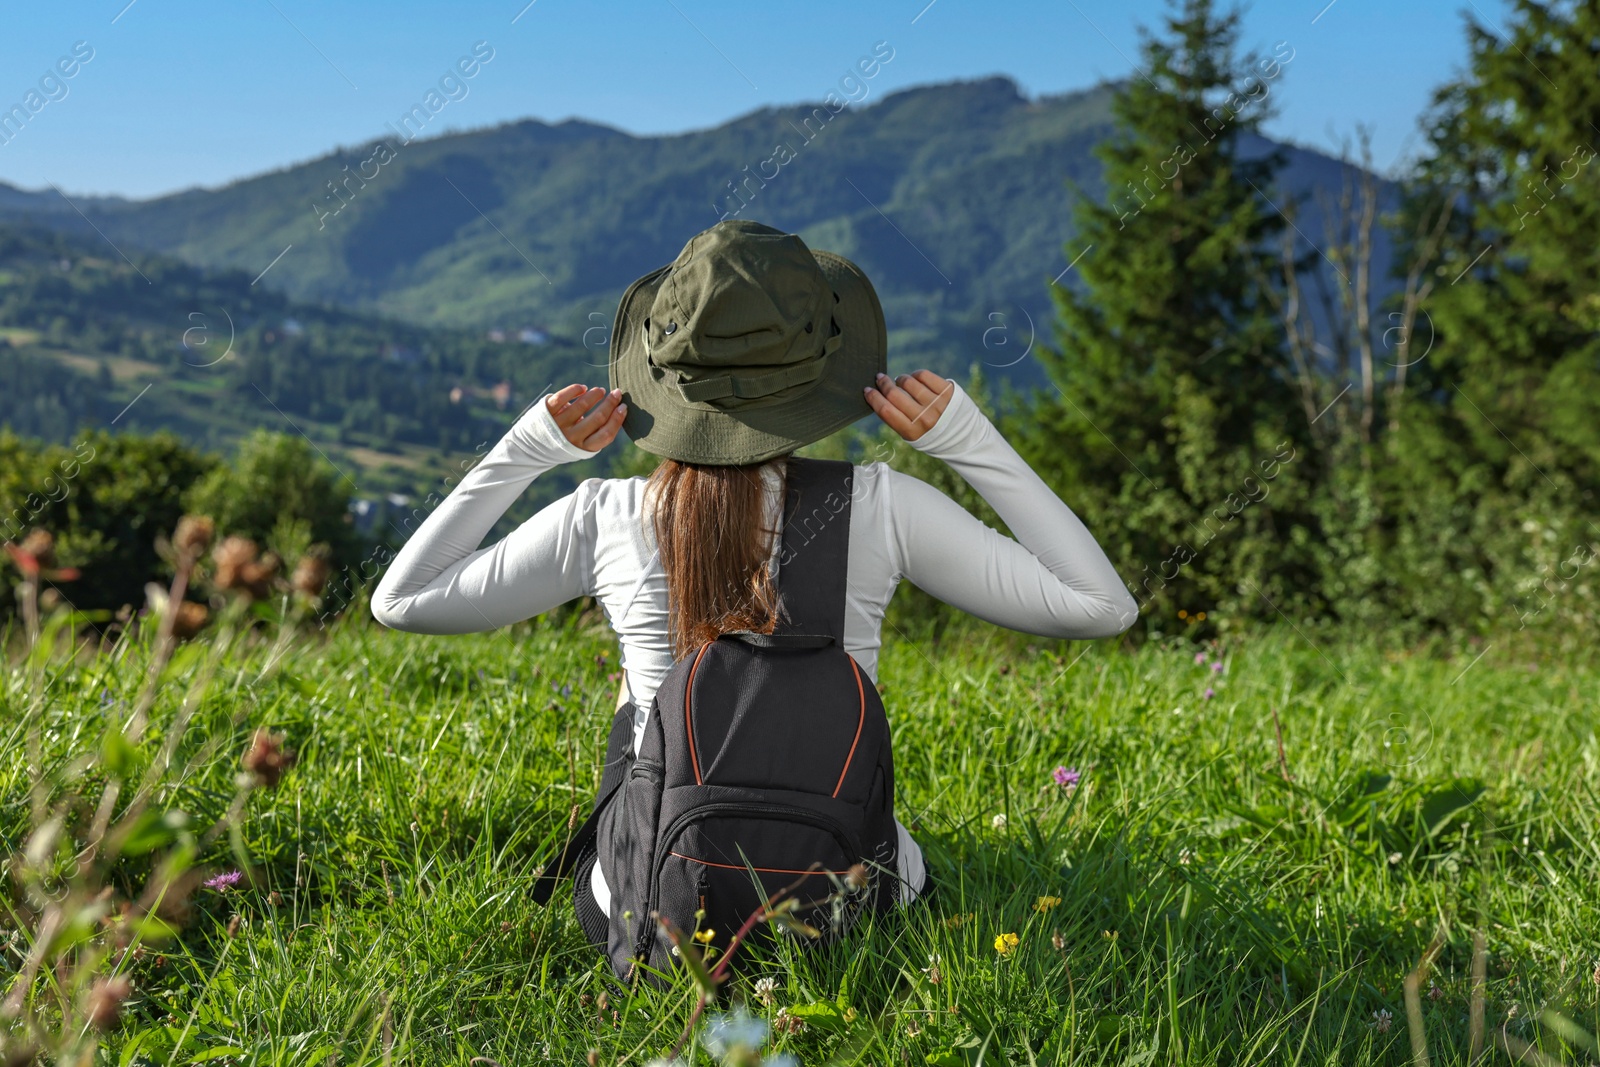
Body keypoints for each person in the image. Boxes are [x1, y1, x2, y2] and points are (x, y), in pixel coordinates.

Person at [372, 219, 1137, 919]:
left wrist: (531, 448)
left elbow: (402, 599)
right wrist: (966, 437)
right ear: (820, 374)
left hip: (646, 903)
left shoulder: (606, 515)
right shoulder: (880, 507)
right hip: (851, 900)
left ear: (663, 373)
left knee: (646, 699)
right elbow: (1100, 605)